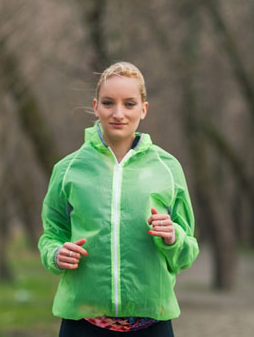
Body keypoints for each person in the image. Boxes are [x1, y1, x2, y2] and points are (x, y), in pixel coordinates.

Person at [38, 62, 199, 336]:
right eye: (109, 103)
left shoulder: (167, 168)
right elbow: (51, 235)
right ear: (96, 106)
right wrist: (56, 254)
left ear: (144, 109)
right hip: (83, 325)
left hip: (152, 324)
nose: (118, 113)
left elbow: (187, 252)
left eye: (130, 104)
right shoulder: (68, 169)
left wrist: (173, 238)